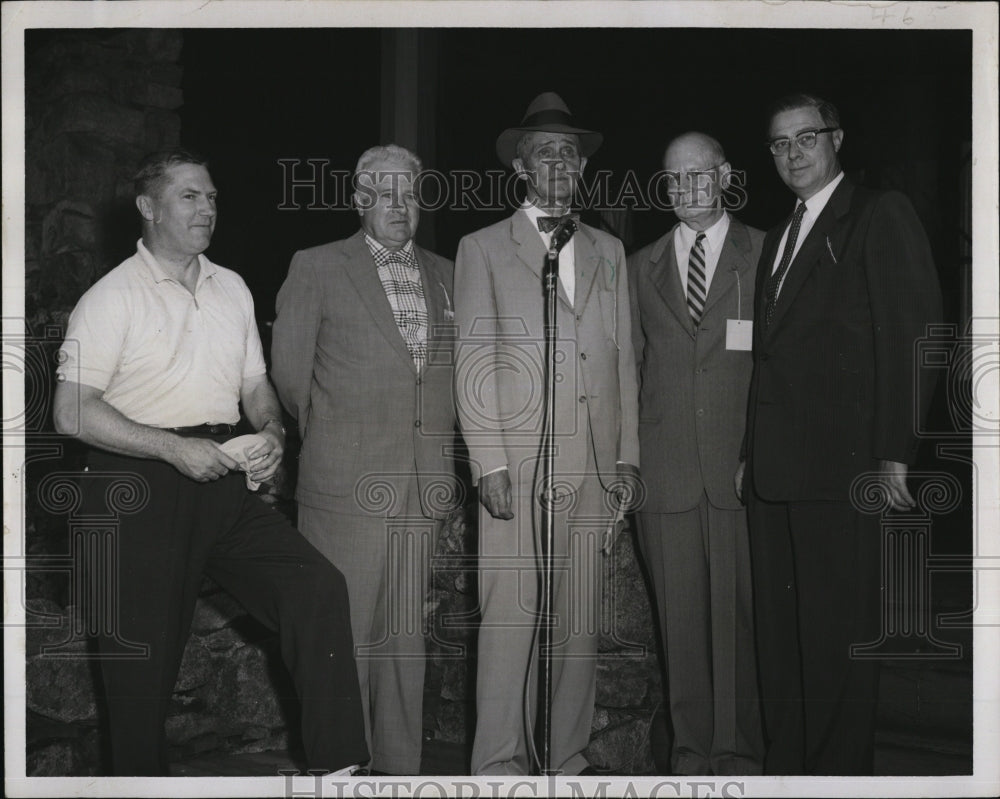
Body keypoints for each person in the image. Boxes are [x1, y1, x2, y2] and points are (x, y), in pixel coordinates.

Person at [52, 148, 368, 776]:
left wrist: (273, 428)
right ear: (148, 208)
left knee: (315, 588)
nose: (208, 208)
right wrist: (173, 448)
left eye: (213, 196)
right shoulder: (110, 298)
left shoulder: (233, 287)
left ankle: (339, 772)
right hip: (132, 485)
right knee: (141, 669)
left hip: (221, 474)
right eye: (190, 196)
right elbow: (71, 413)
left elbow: (254, 383)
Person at [741, 93, 942, 774]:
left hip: (846, 467)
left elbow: (914, 333)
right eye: (779, 143)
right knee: (784, 638)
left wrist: (895, 450)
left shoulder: (879, 214)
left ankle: (835, 777)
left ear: (837, 139)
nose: (793, 154)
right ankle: (789, 770)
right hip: (776, 473)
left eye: (807, 138)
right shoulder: (777, 235)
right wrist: (749, 454)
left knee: (837, 637)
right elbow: (771, 356)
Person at [453, 92, 640, 776]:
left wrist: (625, 456)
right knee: (509, 618)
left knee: (578, 621)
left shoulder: (609, 250)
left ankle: (567, 755)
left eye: (569, 151)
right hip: (518, 462)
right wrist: (488, 462)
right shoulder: (482, 248)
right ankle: (499, 763)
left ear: (583, 167)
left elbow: (623, 358)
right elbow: (473, 361)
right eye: (544, 152)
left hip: (591, 463)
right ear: (521, 170)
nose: (558, 162)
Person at [270, 144, 458, 776]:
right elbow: (290, 378)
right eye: (385, 193)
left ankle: (399, 772)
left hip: (423, 485)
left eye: (410, 193)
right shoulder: (318, 266)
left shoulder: (447, 272)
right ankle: (342, 770)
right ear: (359, 200)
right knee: (342, 638)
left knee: (406, 644)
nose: (400, 206)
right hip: (345, 484)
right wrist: (337, 444)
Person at [628, 132, 764, 775]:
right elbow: (629, 370)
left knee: (738, 621)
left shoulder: (765, 254)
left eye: (697, 176)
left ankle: (737, 753)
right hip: (666, 469)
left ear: (726, 176)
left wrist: (759, 453)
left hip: (739, 469)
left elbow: (780, 370)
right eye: (672, 179)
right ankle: (690, 753)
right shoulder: (640, 265)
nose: (684, 190)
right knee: (677, 624)